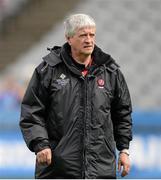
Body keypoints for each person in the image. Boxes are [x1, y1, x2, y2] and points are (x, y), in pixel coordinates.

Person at [20, 13, 132, 179]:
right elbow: (31, 111)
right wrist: (40, 144)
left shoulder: (111, 72)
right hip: (58, 169)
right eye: (83, 35)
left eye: (92, 35)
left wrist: (124, 150)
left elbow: (122, 113)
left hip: (100, 169)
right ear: (69, 38)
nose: (89, 40)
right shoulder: (48, 70)